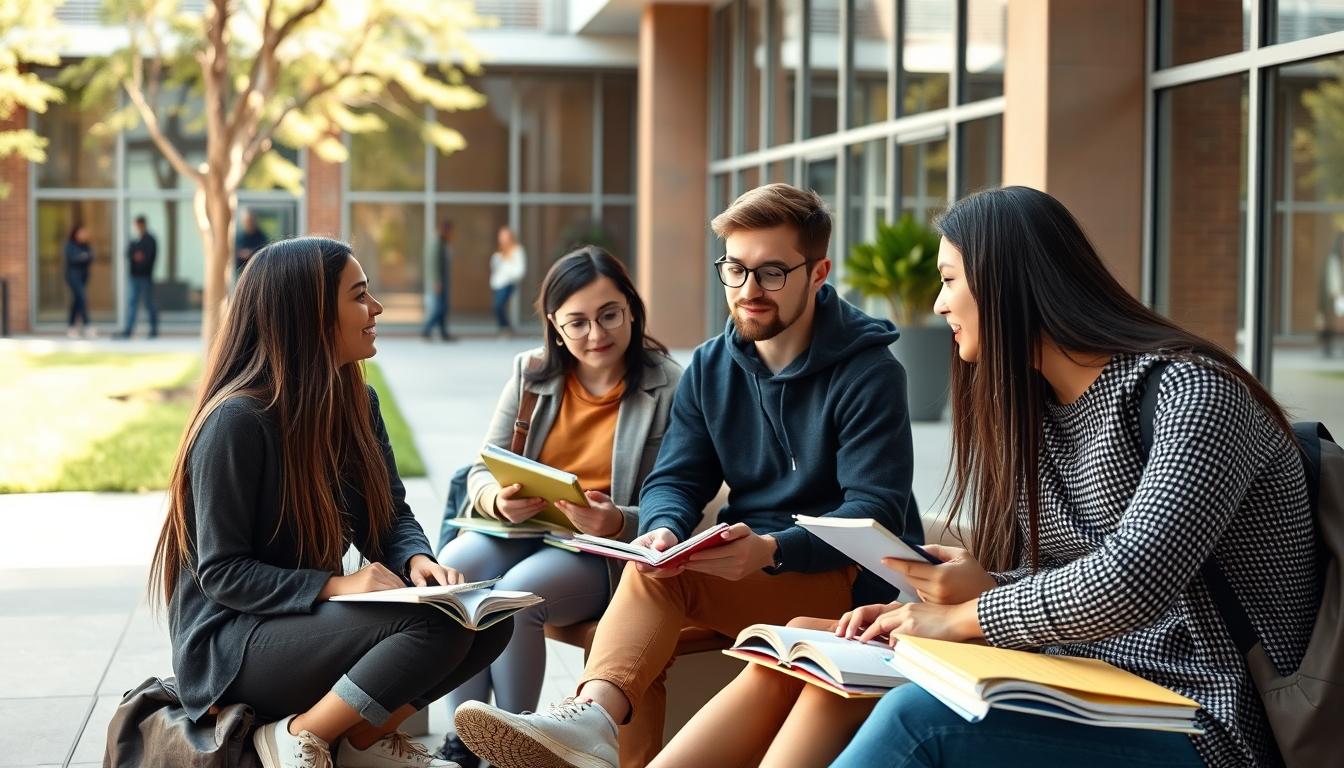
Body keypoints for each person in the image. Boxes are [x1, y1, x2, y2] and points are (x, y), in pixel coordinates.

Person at [730, 186, 1310, 768]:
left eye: (949, 279)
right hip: (1085, 685)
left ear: (1007, 283)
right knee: (817, 661)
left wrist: (966, 617)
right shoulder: (1038, 409)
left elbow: (1131, 577)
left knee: (921, 725)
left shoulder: (1193, 392)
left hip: (1202, 719)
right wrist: (975, 591)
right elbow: (1068, 577)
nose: (937, 305)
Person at [453, 183, 919, 768]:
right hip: (746, 568)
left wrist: (774, 548)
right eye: (735, 270)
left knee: (655, 588)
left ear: (818, 271)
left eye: (772, 272)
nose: (749, 291)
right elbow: (676, 478)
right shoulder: (711, 365)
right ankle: (597, 727)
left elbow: (872, 511)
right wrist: (664, 528)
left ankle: (591, 722)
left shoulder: (869, 372)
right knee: (651, 571)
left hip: (845, 583)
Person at [149, 236, 513, 768]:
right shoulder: (237, 421)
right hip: (230, 645)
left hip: (303, 623)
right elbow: (223, 573)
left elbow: (391, 515)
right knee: (432, 627)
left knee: (485, 619)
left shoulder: (357, 402)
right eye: (360, 295)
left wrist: (418, 560)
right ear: (310, 313)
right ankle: (297, 738)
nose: (377, 309)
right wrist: (337, 584)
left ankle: (363, 743)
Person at [432, 246, 683, 767]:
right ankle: (465, 743)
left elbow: (682, 493)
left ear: (632, 308)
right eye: (578, 322)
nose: (596, 335)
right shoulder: (531, 374)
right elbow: (481, 468)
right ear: (554, 324)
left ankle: (516, 743)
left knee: (515, 598)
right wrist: (498, 502)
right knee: (456, 574)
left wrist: (617, 520)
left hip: (599, 547)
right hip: (520, 532)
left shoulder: (667, 385)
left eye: (610, 315)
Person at [119, 215, 159, 339]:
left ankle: (153, 330)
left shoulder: (150, 239)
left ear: (143, 225)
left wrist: (139, 258)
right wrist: (136, 256)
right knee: (132, 303)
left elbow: (148, 258)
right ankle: (129, 330)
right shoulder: (135, 240)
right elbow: (128, 254)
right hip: (134, 277)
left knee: (148, 303)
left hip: (145, 277)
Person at [422, 220, 456, 341]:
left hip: (443, 281)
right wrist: (437, 282)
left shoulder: (443, 243)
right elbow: (434, 264)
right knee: (440, 308)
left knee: (443, 308)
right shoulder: (437, 243)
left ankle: (443, 333)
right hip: (439, 282)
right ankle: (426, 329)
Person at [489, 226, 526, 335]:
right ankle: (504, 328)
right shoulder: (499, 251)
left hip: (508, 283)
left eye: (504, 236)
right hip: (497, 284)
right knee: (497, 307)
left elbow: (520, 270)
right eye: (501, 236)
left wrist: (507, 267)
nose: (502, 239)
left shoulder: (517, 250)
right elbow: (495, 269)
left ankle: (505, 327)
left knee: (499, 305)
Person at [64, 224, 94, 338]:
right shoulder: (70, 245)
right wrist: (82, 257)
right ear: (76, 233)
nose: (84, 235)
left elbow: (91, 257)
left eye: (85, 233)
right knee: (81, 298)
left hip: (83, 277)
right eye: (81, 233)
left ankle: (71, 328)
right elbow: (72, 258)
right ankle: (87, 326)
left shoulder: (86, 246)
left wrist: (83, 257)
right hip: (73, 277)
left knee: (77, 301)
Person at [235, 210, 269, 277]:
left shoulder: (261, 236)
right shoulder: (239, 236)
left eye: (250, 221)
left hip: (258, 270)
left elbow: (265, 251)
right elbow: (235, 252)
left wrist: (251, 253)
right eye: (246, 221)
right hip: (241, 271)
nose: (249, 223)